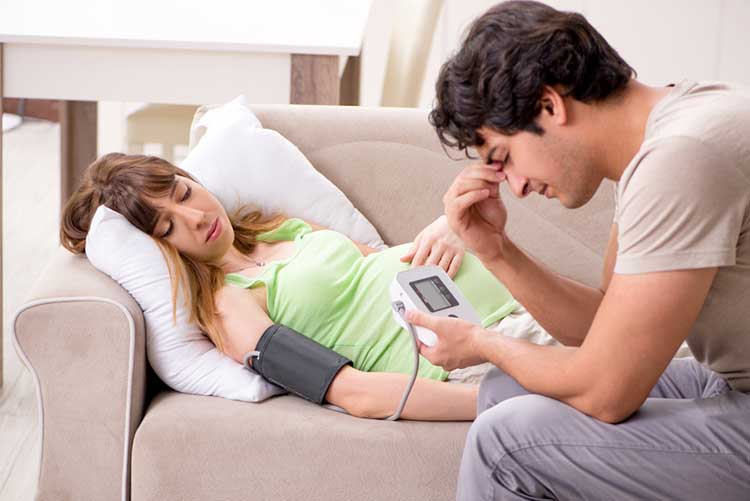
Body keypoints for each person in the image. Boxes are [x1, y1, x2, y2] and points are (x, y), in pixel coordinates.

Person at [404, 0, 750, 498]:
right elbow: (602, 329)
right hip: (733, 386)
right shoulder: (662, 140)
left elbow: (607, 391)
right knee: (505, 394)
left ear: (550, 105)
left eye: (505, 158)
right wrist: (497, 250)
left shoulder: (682, 159)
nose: (516, 188)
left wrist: (482, 343)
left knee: (505, 444)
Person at [59, 152, 533, 422]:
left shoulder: (276, 227)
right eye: (167, 229)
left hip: (522, 305)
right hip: (486, 358)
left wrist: (449, 231)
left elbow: (386, 264)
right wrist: (492, 403)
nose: (196, 216)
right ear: (159, 251)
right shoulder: (228, 304)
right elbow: (352, 392)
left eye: (184, 193)